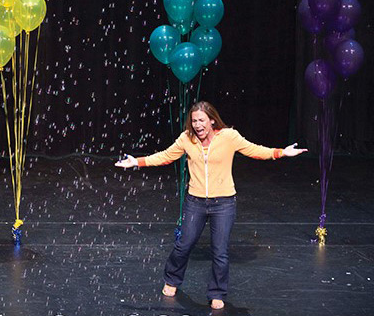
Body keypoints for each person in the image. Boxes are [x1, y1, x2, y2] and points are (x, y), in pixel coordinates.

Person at [115, 101, 307, 310]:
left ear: (212, 120)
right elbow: (165, 156)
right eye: (194, 121)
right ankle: (172, 279)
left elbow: (254, 150)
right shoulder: (186, 139)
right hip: (195, 202)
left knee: (220, 251)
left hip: (223, 203)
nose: (197, 125)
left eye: (201, 120)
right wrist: (137, 162)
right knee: (184, 245)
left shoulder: (229, 137)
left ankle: (216, 292)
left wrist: (280, 152)